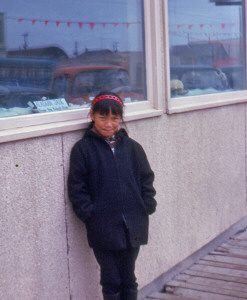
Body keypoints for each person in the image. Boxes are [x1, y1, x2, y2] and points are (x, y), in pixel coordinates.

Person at [68, 92, 157, 300]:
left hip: (133, 224)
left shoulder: (133, 148)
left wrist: (147, 205)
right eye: (103, 118)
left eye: (114, 118)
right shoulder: (83, 150)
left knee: (129, 278)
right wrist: (90, 214)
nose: (109, 124)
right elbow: (77, 187)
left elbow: (146, 178)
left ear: (120, 118)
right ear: (92, 115)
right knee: (111, 280)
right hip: (102, 227)